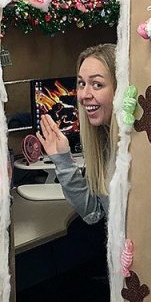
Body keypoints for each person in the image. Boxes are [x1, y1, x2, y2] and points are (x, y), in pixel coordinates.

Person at [36, 43, 116, 225]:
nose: (84, 95)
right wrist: (63, 161)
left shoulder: (134, 150)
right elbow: (93, 212)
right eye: (81, 83)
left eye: (97, 84)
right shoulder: (103, 144)